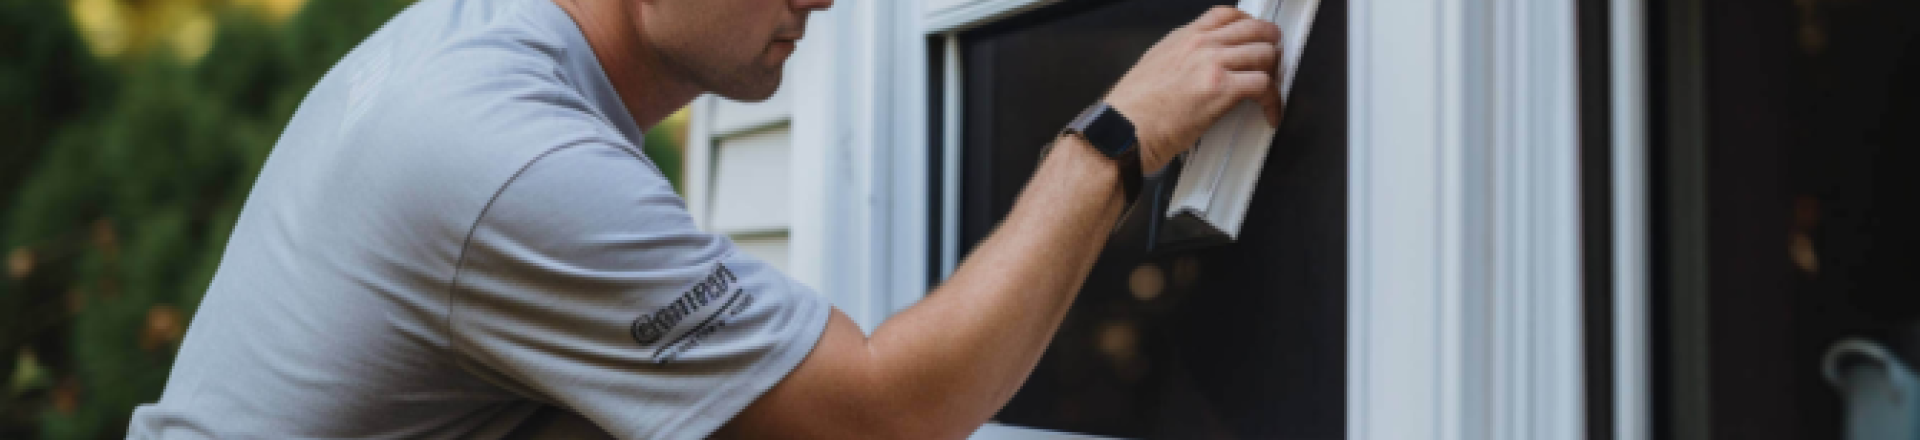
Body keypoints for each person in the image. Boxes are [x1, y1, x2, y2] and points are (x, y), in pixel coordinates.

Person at [127, 0, 1282, 438]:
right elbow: (883, 412)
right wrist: (1115, 139)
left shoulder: (485, 55)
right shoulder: (504, 152)